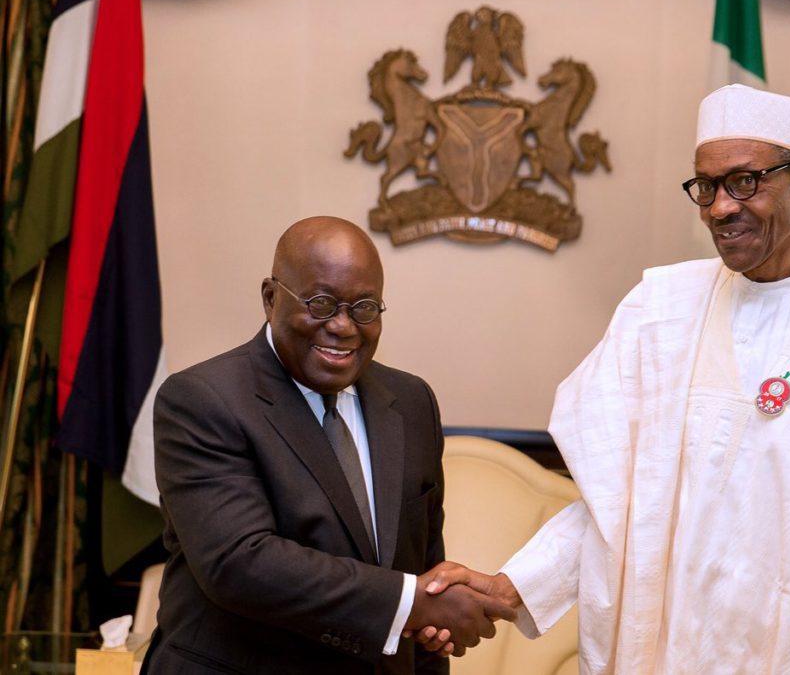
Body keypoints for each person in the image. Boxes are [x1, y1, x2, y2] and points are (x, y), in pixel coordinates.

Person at [422, 85, 790, 673]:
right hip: (681, 652)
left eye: (745, 181)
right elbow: (612, 507)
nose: (720, 208)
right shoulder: (658, 314)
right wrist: (510, 589)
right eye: (706, 186)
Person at [142, 216, 513, 675]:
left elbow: (425, 571)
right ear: (270, 298)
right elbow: (239, 564)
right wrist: (408, 605)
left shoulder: (413, 402)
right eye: (321, 303)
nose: (343, 327)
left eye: (364, 308)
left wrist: (427, 612)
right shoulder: (203, 399)